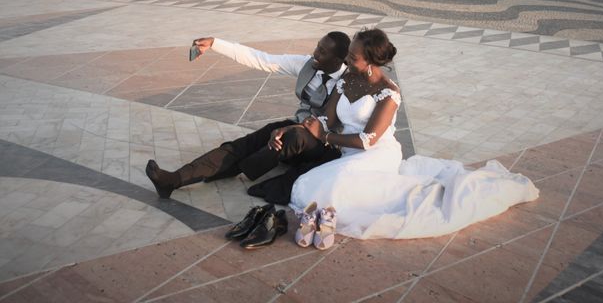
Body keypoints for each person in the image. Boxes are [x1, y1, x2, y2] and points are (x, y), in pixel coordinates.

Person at [291, 28, 538, 240]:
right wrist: (311, 125)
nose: (346, 60)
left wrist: (324, 137)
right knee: (315, 183)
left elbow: (367, 140)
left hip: (376, 154)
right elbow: (329, 118)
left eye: (352, 57)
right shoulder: (347, 80)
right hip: (347, 150)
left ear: (370, 62)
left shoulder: (389, 93)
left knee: (335, 183)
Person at [145, 31, 351, 202]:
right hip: (296, 127)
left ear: (338, 60)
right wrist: (216, 43)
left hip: (322, 143)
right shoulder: (307, 64)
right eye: (317, 46)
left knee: (290, 137)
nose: (315, 53)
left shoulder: (350, 82)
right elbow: (261, 59)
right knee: (245, 143)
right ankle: (173, 180)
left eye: (322, 52)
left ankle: (239, 167)